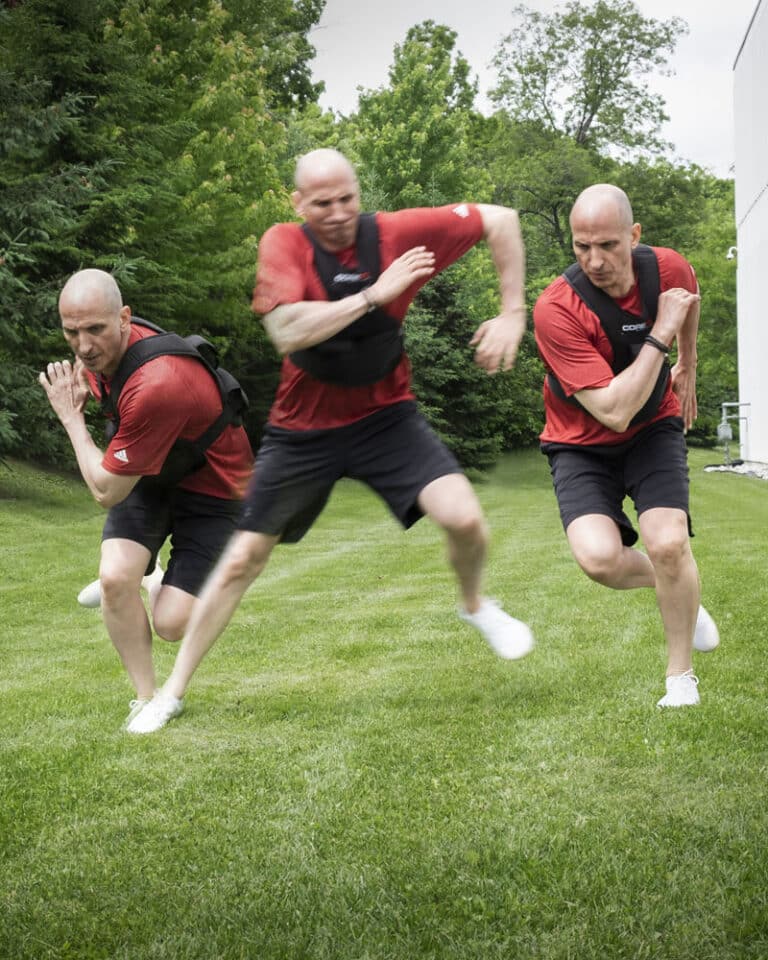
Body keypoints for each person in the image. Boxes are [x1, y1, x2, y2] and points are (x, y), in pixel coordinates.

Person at [127, 146, 534, 734]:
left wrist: (513, 311)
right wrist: (374, 294)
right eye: (323, 204)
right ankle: (171, 693)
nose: (339, 213)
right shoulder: (284, 244)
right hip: (304, 430)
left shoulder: (395, 234)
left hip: (386, 417)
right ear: (299, 203)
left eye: (347, 199)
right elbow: (286, 330)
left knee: (466, 519)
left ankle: (474, 604)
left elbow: (500, 218)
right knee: (243, 558)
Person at [39, 269, 253, 728]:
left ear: (124, 319)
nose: (83, 346)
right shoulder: (99, 357)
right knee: (115, 579)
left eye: (95, 329)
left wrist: (71, 419)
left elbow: (105, 491)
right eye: (71, 332)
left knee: (172, 623)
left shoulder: (157, 383)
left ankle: (153, 579)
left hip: (216, 489)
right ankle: (147, 697)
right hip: (153, 475)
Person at [532, 184, 719, 709]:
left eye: (608, 245)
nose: (594, 260)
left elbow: (688, 299)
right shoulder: (556, 309)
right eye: (581, 246)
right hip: (580, 442)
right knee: (599, 560)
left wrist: (689, 363)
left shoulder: (668, 268)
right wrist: (661, 336)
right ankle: (679, 589)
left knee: (668, 543)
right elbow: (613, 411)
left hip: (653, 428)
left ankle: (680, 679)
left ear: (634, 236)